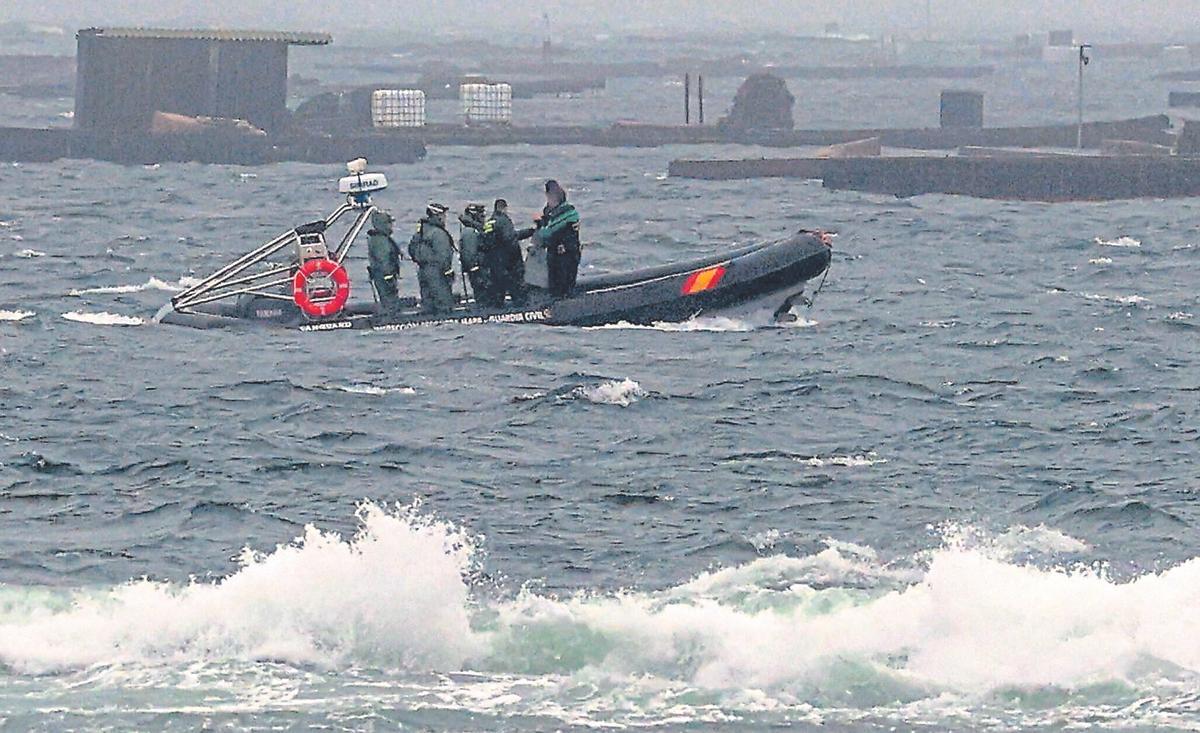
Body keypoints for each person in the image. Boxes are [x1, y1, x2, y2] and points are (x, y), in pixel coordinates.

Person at [532, 179, 581, 297]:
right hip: (553, 254)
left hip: (567, 254)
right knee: (554, 282)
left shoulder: (568, 212)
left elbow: (549, 231)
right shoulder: (549, 211)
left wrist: (540, 227)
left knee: (565, 283)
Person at [408, 203, 456, 314]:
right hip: (437, 272)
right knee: (443, 303)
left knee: (428, 303)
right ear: (437, 215)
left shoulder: (421, 232)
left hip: (423, 270)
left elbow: (411, 249)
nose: (445, 217)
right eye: (443, 215)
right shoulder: (438, 234)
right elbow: (444, 256)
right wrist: (448, 272)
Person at [481, 198, 527, 307]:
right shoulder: (504, 221)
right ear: (505, 208)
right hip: (507, 263)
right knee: (517, 292)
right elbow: (510, 239)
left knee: (498, 292)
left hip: (494, 263)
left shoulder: (489, 222)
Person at [366, 209, 403, 315]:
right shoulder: (381, 241)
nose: (391, 226)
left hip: (381, 274)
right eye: (389, 223)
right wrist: (389, 275)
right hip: (384, 276)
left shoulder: (378, 238)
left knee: (388, 299)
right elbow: (384, 259)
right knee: (390, 301)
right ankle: (390, 317)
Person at [457, 204, 490, 302]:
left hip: (481, 269)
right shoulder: (471, 231)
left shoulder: (475, 229)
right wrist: (475, 270)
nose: (484, 218)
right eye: (481, 215)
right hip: (479, 272)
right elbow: (470, 254)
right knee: (483, 296)